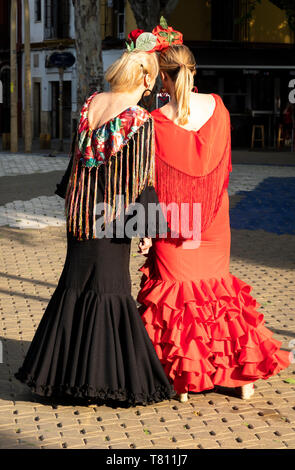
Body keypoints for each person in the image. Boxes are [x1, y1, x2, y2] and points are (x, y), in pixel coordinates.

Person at [14, 45, 175, 407]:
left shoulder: (90, 105)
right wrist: (146, 230)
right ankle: (100, 381)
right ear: (147, 79)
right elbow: (140, 179)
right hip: (113, 219)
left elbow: (75, 163)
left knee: (74, 288)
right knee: (110, 290)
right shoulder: (140, 120)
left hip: (80, 213)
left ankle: (59, 377)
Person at [137, 41, 291, 403]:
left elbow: (149, 181)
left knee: (179, 299)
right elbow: (223, 166)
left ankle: (185, 380)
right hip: (214, 219)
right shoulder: (219, 108)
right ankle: (243, 379)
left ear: (163, 76)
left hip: (176, 224)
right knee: (217, 295)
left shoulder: (155, 122)